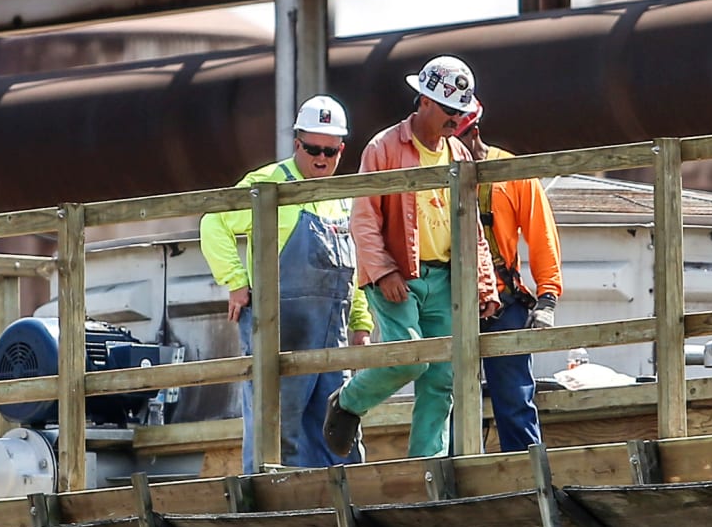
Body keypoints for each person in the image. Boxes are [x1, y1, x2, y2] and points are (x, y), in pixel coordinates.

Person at [324, 55, 500, 460]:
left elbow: (472, 227)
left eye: (460, 112)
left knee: (442, 377)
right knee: (409, 357)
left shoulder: (459, 154)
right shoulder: (384, 147)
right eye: (448, 110)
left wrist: (485, 284)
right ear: (423, 101)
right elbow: (364, 217)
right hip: (396, 274)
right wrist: (383, 271)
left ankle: (428, 467)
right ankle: (349, 402)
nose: (455, 119)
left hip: (444, 278)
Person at [200, 95, 375, 471]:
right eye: (313, 148)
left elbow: (354, 265)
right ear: (297, 143)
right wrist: (235, 281)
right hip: (281, 331)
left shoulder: (339, 199)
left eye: (331, 151)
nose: (321, 158)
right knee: (278, 426)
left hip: (333, 335)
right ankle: (270, 505)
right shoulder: (267, 185)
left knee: (338, 424)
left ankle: (341, 503)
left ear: (341, 150)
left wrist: (361, 321)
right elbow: (214, 221)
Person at [451, 101, 561, 452]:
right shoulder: (435, 172)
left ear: (472, 133)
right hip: (449, 303)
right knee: (450, 404)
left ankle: (529, 483)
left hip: (503, 303)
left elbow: (540, 233)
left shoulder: (511, 172)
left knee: (514, 401)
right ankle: (455, 489)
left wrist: (547, 296)